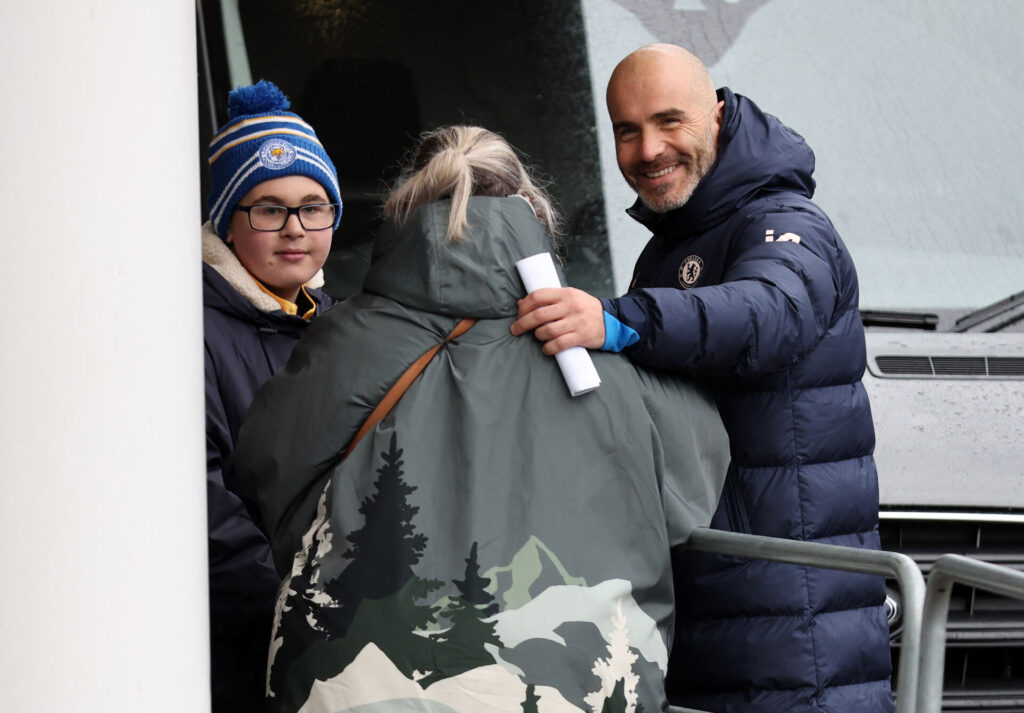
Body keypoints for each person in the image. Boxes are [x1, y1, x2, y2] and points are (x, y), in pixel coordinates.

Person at [231, 125, 730, 713]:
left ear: (405, 209)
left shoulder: (337, 345)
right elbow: (694, 493)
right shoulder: (604, 355)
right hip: (574, 689)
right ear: (531, 211)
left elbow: (267, 476)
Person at [511, 44, 893, 713]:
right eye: (626, 131)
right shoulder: (676, 243)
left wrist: (617, 321)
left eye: (668, 121)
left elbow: (769, 313)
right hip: (717, 614)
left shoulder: (783, 221)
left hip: (792, 636)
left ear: (717, 115)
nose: (648, 148)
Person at [203, 79, 341, 713]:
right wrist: (294, 616)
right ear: (227, 224)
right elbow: (206, 510)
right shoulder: (188, 332)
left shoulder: (342, 324)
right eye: (267, 208)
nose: (295, 229)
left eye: (314, 206)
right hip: (254, 648)